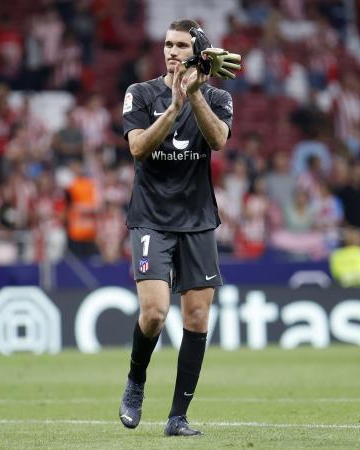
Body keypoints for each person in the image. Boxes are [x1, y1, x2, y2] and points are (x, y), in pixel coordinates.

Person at [118, 19, 234, 437]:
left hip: (197, 219)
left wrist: (195, 93)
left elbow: (218, 140)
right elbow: (137, 148)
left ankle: (177, 418)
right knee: (153, 313)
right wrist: (173, 107)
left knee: (198, 317)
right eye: (167, 44)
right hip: (151, 216)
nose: (171, 51)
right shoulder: (140, 94)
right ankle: (136, 381)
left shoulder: (218, 97)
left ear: (197, 51)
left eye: (181, 45)